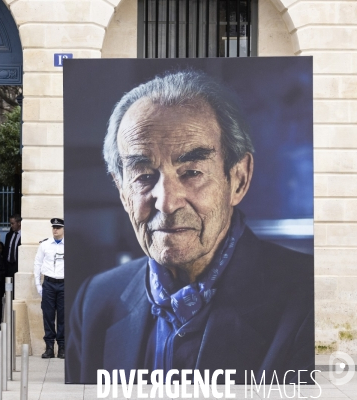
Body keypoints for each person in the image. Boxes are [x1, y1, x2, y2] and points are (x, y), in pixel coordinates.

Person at [67, 70, 314, 384]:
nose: (167, 203)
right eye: (143, 176)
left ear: (238, 179)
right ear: (121, 190)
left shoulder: (311, 301)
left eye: (192, 172)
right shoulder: (95, 301)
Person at [34, 218, 65, 359]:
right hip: (49, 284)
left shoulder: (69, 245)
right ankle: (49, 347)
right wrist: (38, 285)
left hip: (64, 283)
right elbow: (37, 264)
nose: (55, 230)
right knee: (48, 315)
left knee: (63, 316)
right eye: (54, 227)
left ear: (64, 229)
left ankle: (62, 347)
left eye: (58, 227)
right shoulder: (45, 245)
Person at [3, 214, 21, 278]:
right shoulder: (9, 235)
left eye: (13, 223)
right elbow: (6, 251)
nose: (11, 226)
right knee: (8, 287)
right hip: (8, 267)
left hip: (18, 266)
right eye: (10, 223)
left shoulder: (24, 237)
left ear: (19, 223)